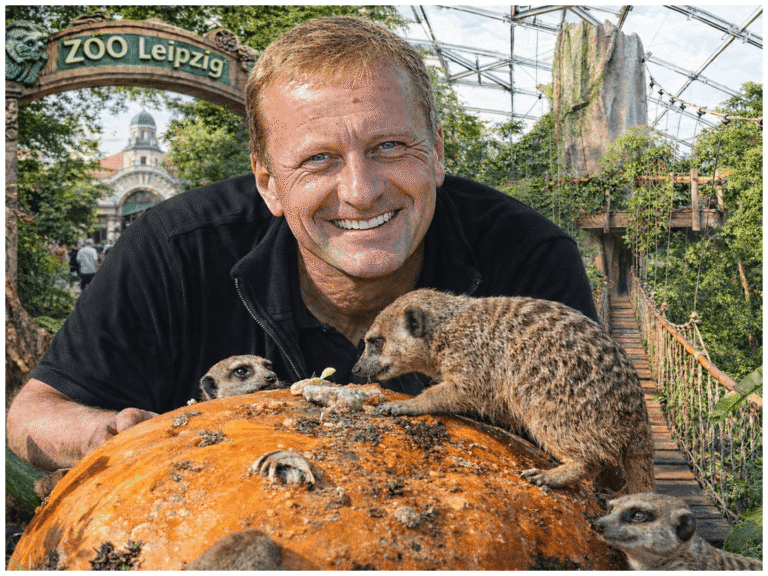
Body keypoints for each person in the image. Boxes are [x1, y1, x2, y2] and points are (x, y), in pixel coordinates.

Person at [7, 17, 598, 472]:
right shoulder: (174, 248)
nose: (361, 192)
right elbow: (34, 415)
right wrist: (113, 434)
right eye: (318, 159)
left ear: (438, 153)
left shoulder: (526, 256)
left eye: (390, 146)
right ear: (267, 181)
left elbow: (595, 439)